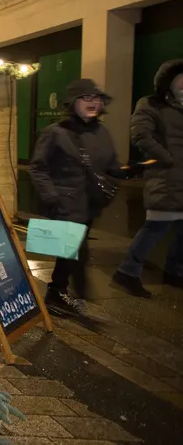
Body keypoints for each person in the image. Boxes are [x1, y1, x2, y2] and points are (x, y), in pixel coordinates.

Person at [29, 79, 131, 317]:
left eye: (96, 99)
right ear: (72, 103)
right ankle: (60, 294)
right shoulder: (55, 132)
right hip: (64, 204)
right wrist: (51, 196)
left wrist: (128, 171)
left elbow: (110, 165)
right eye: (86, 98)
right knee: (72, 251)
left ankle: (65, 293)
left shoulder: (101, 132)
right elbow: (38, 167)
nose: (93, 103)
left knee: (73, 252)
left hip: (90, 203)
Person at [113, 59, 183, 296]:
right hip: (166, 179)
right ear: (168, 82)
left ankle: (175, 272)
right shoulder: (151, 104)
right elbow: (140, 134)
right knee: (155, 228)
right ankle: (127, 272)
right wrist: (166, 158)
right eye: (181, 78)